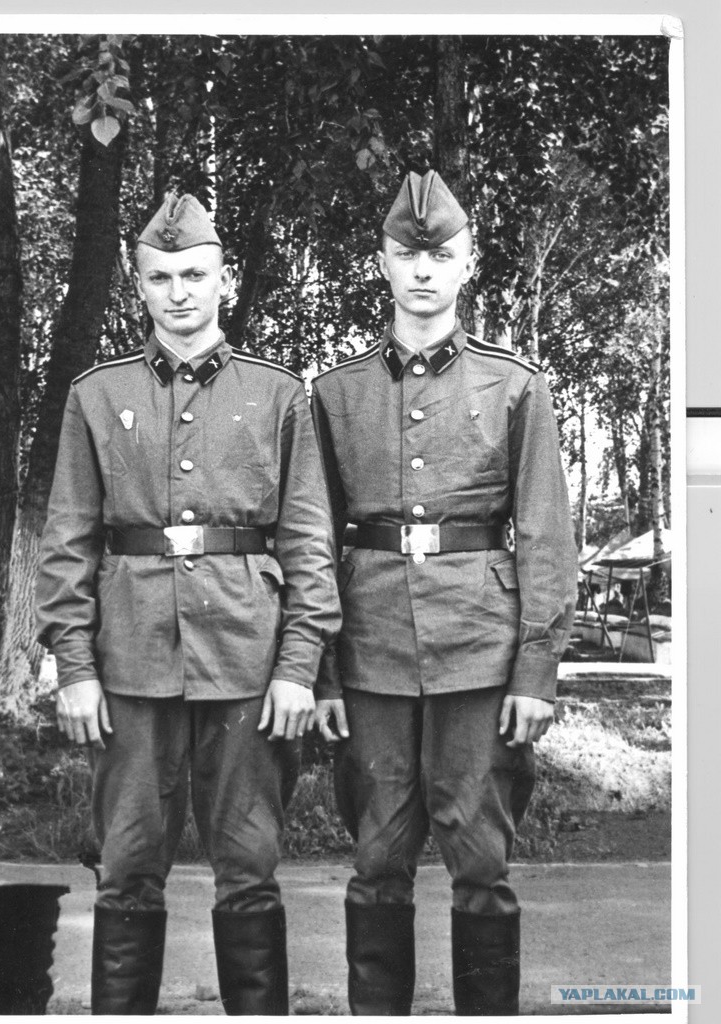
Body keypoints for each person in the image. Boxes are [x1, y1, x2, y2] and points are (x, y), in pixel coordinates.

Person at [35, 192, 340, 1015]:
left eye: (194, 275)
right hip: (129, 664)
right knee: (127, 867)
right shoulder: (97, 395)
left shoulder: (278, 395)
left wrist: (299, 668)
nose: (178, 292)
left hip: (247, 663)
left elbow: (309, 544)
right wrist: (74, 668)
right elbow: (68, 540)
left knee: (250, 869)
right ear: (139, 285)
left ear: (223, 280)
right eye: (161, 277)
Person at [311, 169, 577, 1015]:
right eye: (407, 255)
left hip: (480, 652)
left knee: (482, 863)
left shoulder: (515, 385)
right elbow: (313, 544)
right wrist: (322, 673)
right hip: (372, 651)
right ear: (382, 263)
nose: (423, 270)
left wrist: (536, 672)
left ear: (468, 263)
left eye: (441, 255)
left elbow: (545, 538)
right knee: (377, 860)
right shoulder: (335, 393)